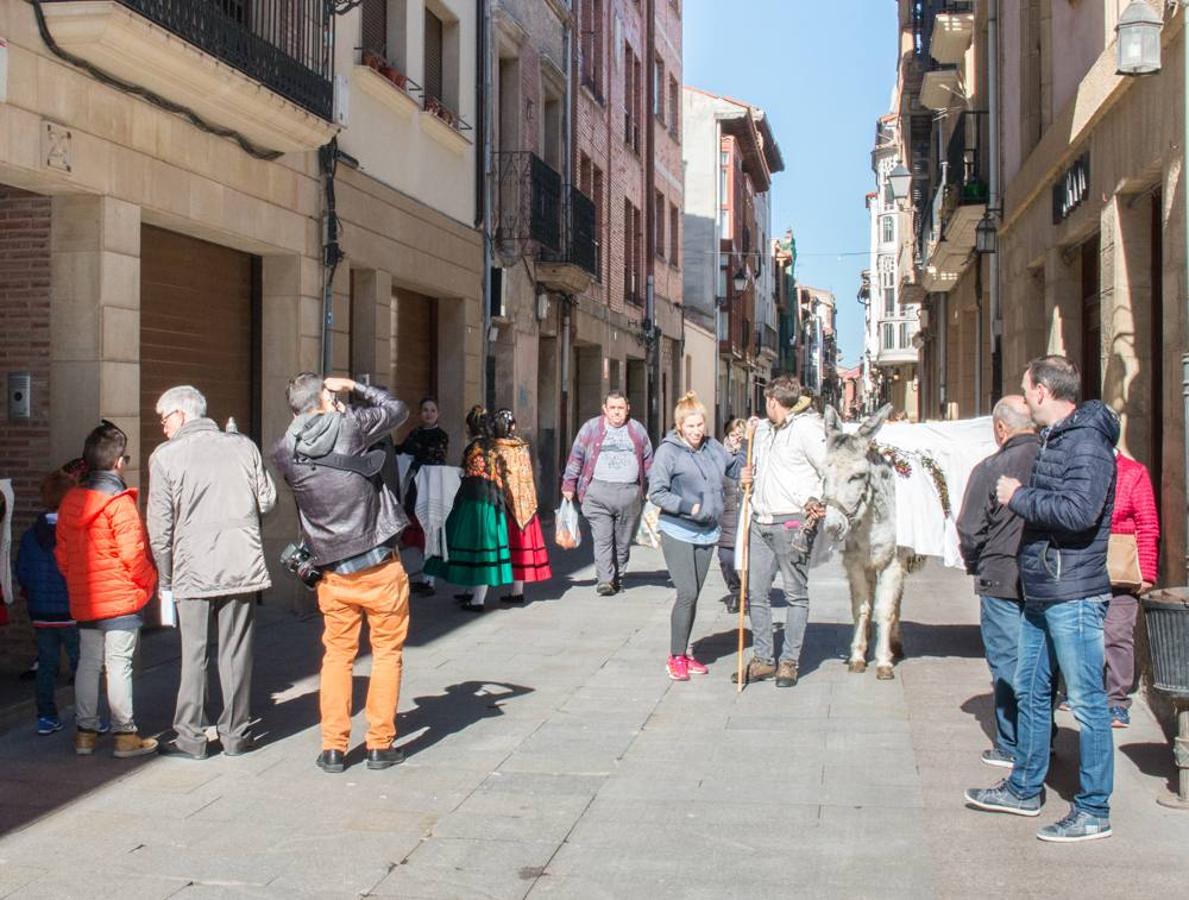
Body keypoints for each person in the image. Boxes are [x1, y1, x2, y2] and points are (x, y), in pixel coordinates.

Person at [966, 355, 1119, 843]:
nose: (1024, 394)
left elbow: (1079, 511)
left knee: (1087, 703)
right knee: (1031, 692)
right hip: (1042, 588)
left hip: (1072, 591)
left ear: (1041, 393)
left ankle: (1093, 808)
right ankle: (1024, 788)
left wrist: (1018, 497)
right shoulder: (1058, 440)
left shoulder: (1088, 444)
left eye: (1026, 386)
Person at [273, 374, 412, 774]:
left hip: (332, 571)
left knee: (337, 657)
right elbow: (396, 410)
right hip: (378, 563)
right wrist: (351, 388)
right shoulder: (349, 425)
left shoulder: (284, 451)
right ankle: (378, 744)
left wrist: (321, 404)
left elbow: (304, 437)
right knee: (386, 654)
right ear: (324, 397)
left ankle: (333, 746)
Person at [148, 385, 277, 760]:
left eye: (165, 418)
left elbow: (160, 528)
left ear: (183, 415)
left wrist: (166, 579)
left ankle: (191, 737)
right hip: (241, 563)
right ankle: (235, 734)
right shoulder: (242, 445)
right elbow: (268, 500)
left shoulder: (165, 457)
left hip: (192, 568)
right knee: (236, 651)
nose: (162, 426)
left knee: (194, 653)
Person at [55, 421, 158, 758]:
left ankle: (85, 733)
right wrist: (147, 583)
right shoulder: (120, 503)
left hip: (85, 598)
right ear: (118, 463)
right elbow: (134, 555)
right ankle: (124, 734)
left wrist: (76, 581)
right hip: (120, 600)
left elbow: (63, 553)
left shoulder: (70, 501)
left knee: (87, 664)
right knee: (118, 666)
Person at [955, 395, 1040, 769]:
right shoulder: (1052, 460)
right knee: (1040, 663)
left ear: (1001, 428)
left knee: (1007, 661)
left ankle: (1012, 744)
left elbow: (970, 528)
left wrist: (977, 563)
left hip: (1001, 576)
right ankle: (1041, 739)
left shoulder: (991, 468)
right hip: (1046, 578)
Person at [736, 377, 825, 689]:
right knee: (755, 592)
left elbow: (828, 468)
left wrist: (815, 499)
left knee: (795, 593)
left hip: (792, 522)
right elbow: (753, 470)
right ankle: (763, 658)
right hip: (760, 520)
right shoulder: (762, 431)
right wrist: (745, 477)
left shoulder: (807, 429)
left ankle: (789, 662)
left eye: (766, 400)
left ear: (773, 400)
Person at [649, 393, 742, 680]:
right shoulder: (669, 451)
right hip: (678, 529)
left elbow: (734, 468)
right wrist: (690, 507)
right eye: (690, 426)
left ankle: (685, 655)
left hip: (707, 532)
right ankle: (675, 656)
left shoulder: (713, 447)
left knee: (694, 595)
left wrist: (748, 449)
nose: (696, 431)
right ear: (679, 426)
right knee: (687, 592)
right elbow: (657, 492)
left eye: (700, 424)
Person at [562, 391, 654, 595]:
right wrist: (569, 485)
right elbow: (576, 456)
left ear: (627, 409)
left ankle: (618, 577)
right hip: (597, 493)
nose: (616, 413)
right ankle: (604, 580)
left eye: (620, 408)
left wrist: (654, 487)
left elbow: (648, 460)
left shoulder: (637, 429)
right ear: (605, 409)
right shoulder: (591, 427)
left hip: (629, 494)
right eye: (612, 408)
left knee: (622, 543)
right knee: (602, 539)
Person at [426, 407, 514, 612]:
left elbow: (466, 473)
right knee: (483, 550)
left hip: (474, 502)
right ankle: (474, 594)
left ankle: (477, 600)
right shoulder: (493, 447)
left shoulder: (474, 447)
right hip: (492, 502)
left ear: (471, 427)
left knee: (476, 549)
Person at [15, 469, 80, 735]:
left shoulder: (31, 535)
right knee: (81, 663)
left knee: (46, 665)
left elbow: (22, 570)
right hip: (71, 610)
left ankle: (46, 716)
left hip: (41, 611)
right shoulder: (73, 532)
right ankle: (85, 717)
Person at [1105, 450, 1159, 728]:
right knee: (1079, 632)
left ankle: (1117, 700)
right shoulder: (1080, 464)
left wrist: (1147, 572)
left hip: (1121, 566)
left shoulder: (1133, 472)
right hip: (1082, 566)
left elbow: (1147, 523)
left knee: (1118, 633)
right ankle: (1078, 691)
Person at [490, 409, 552, 601]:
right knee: (518, 546)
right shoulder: (521, 446)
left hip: (502, 503)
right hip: (523, 503)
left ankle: (477, 592)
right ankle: (517, 591)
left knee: (498, 546)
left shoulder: (493, 448)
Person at [395, 397, 450, 596]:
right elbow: (402, 449)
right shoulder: (415, 433)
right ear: (420, 413)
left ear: (438, 413)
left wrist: (414, 456)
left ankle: (430, 580)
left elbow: (433, 455)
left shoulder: (441, 435)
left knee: (431, 533)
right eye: (425, 410)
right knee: (419, 532)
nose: (428, 413)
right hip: (416, 487)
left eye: (432, 410)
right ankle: (424, 577)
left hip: (433, 487)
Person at [717, 418, 746, 612]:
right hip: (725, 517)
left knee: (747, 561)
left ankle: (747, 594)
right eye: (732, 434)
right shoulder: (718, 456)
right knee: (726, 558)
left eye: (740, 435)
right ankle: (736, 591)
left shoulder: (751, 456)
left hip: (746, 517)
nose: (736, 439)